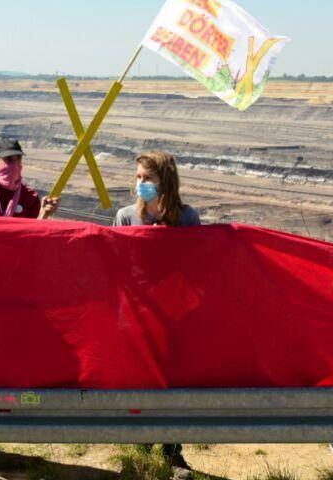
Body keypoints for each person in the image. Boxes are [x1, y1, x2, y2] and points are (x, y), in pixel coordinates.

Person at [112, 152, 199, 480]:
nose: (141, 184)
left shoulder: (187, 218)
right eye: (138, 178)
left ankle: (172, 452)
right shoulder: (124, 216)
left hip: (173, 318)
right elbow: (115, 264)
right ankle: (138, 452)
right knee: (136, 385)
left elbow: (197, 268)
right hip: (134, 316)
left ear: (165, 180)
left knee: (171, 385)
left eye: (147, 178)